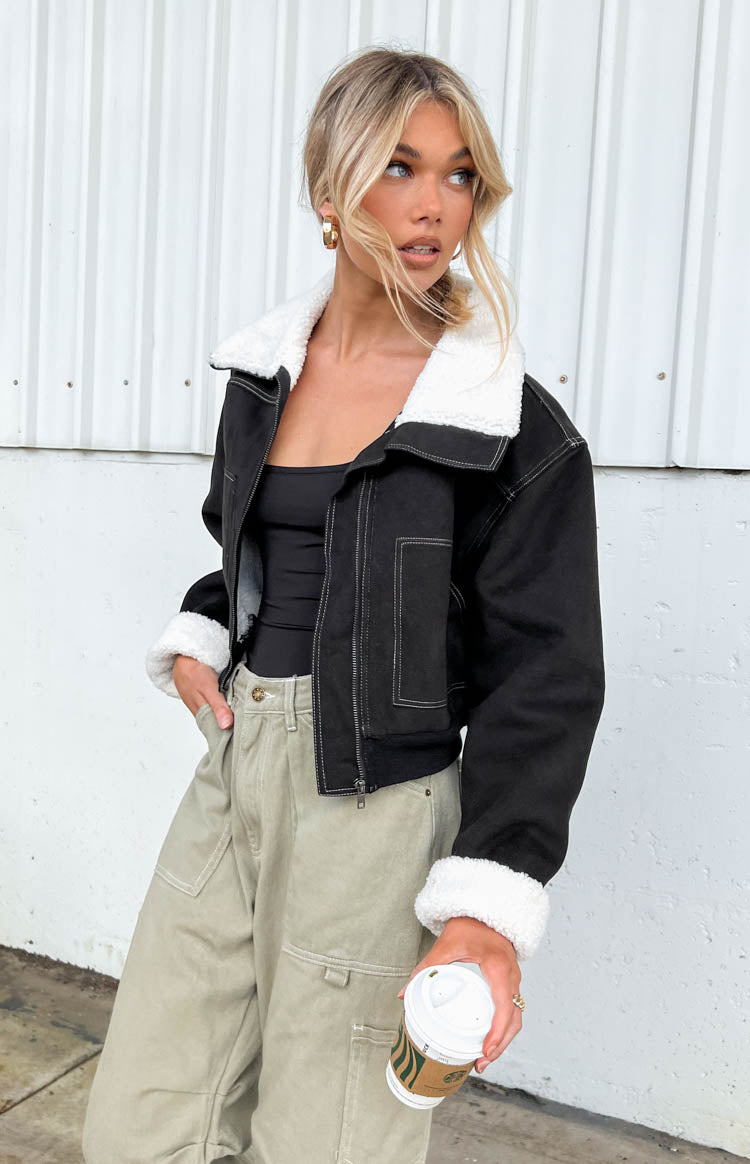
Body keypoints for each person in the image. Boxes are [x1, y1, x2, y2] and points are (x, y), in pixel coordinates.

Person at [82, 45, 605, 1164]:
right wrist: (203, 634)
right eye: (400, 168)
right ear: (331, 190)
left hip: (378, 808)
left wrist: (486, 907)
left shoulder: (507, 425)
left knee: (325, 1143)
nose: (434, 206)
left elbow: (548, 675)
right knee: (140, 1126)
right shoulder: (263, 377)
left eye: (459, 175)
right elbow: (258, 554)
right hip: (236, 773)